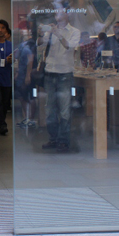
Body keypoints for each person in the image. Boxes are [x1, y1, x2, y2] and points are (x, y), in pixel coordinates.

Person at [40, 11, 80, 153]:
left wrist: (57, 33)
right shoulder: (50, 30)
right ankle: (53, 139)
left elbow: (69, 46)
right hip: (50, 73)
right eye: (56, 13)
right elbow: (40, 45)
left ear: (67, 15)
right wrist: (41, 33)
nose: (58, 15)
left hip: (65, 74)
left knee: (64, 110)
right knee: (49, 109)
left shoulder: (74, 31)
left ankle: (63, 141)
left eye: (61, 12)